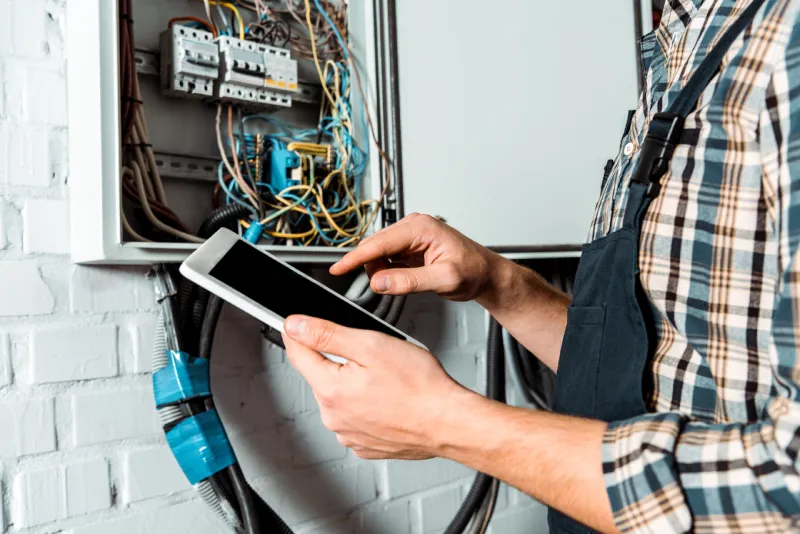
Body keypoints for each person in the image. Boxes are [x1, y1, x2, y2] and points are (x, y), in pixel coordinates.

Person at [281, 1, 800, 532]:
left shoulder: (784, 39)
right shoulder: (689, 36)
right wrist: (499, 284)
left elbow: (789, 489)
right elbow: (660, 366)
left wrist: (444, 422)